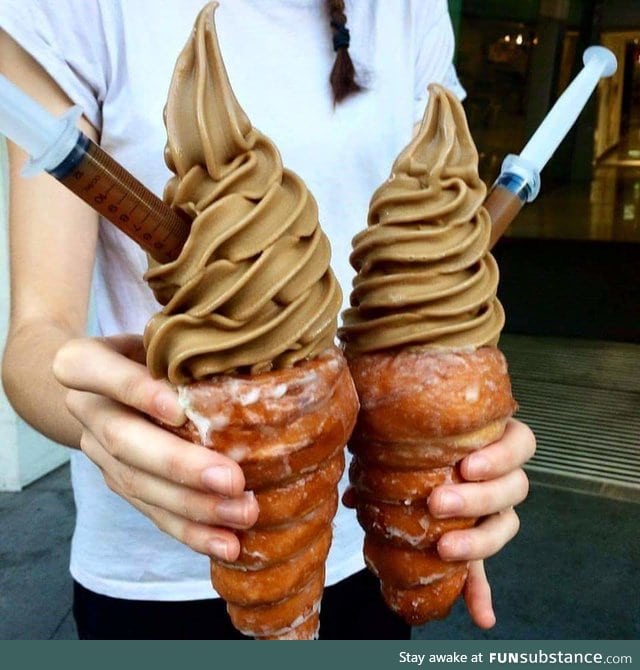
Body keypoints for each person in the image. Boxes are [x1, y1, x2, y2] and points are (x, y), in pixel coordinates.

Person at [0, 0, 535, 640]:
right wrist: (99, 422)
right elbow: (35, 336)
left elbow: (426, 246)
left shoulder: (406, 10)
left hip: (365, 546)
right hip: (152, 572)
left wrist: (447, 456)